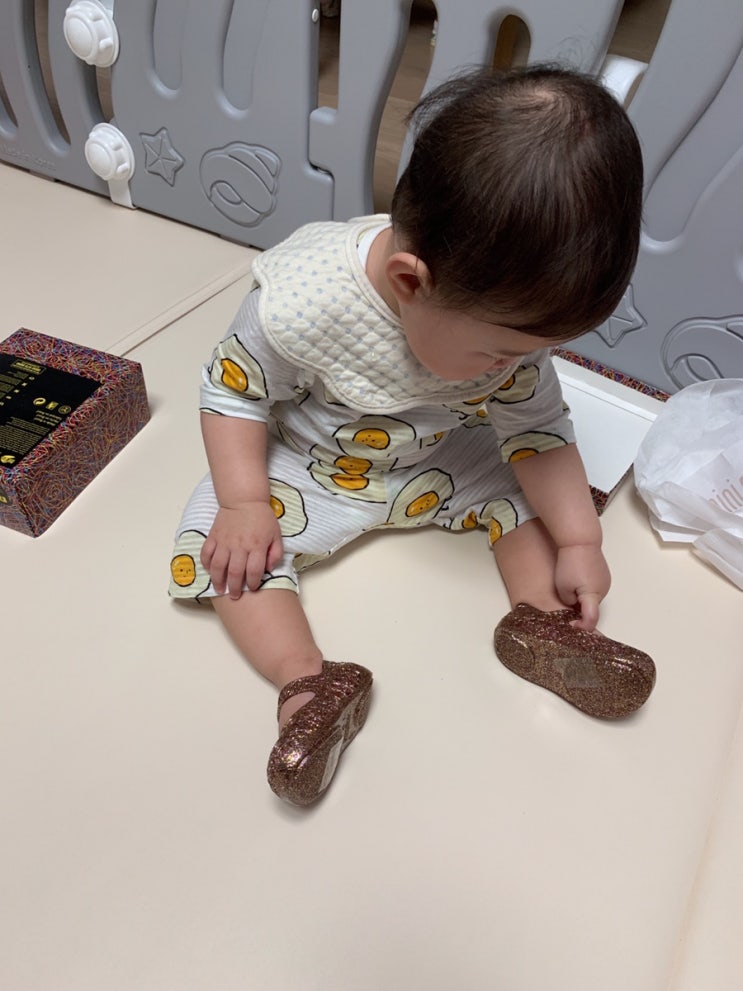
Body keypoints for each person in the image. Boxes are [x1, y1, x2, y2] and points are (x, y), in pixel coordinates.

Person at [169, 64, 656, 807]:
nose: (517, 366)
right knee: (215, 548)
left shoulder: (505, 332)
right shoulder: (302, 300)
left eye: (534, 351)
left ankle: (542, 625)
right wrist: (243, 503)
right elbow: (233, 392)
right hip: (312, 461)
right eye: (500, 352)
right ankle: (308, 684)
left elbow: (537, 429)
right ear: (408, 282)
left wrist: (580, 541)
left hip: (440, 452)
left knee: (526, 494)